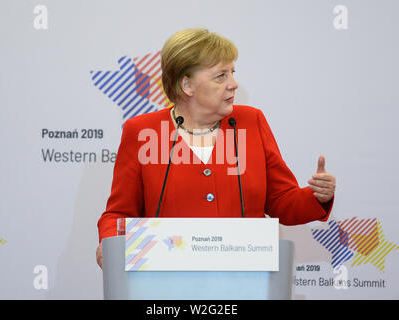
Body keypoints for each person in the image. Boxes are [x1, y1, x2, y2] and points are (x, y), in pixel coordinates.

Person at [96, 28, 336, 268]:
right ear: (187, 85)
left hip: (244, 279)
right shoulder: (142, 131)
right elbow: (119, 214)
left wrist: (317, 196)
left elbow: (282, 201)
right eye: (221, 76)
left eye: (232, 72)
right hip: (170, 281)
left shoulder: (251, 122)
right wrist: (110, 244)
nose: (234, 84)